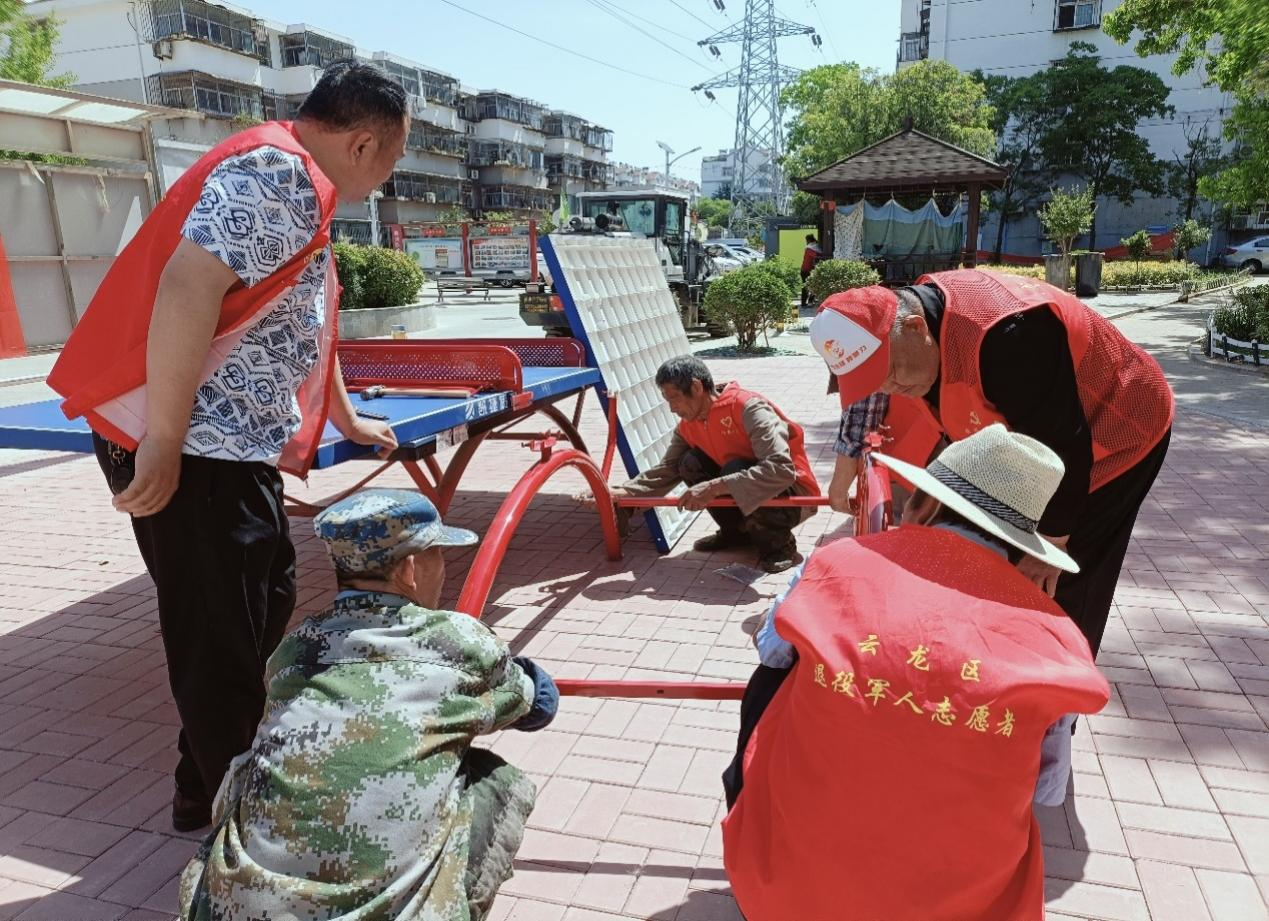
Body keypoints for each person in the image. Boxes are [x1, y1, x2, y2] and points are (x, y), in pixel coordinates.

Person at [47, 62, 410, 830]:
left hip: (226, 443)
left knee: (262, 596)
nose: (386, 178)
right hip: (194, 441)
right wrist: (165, 443)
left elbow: (307, 317)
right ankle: (252, 838)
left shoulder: (291, 178)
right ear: (366, 142)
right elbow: (188, 288)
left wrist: (344, 419)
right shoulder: (283, 175)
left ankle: (198, 784)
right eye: (393, 160)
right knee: (221, 639)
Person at [722, 425, 1110, 921]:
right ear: (1022, 546)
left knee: (777, 679)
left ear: (924, 504)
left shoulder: (838, 562)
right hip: (961, 907)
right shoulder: (1055, 640)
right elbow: (1048, 790)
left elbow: (772, 649)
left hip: (788, 893)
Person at [179, 489, 559, 921]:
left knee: (254, 767)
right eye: (438, 555)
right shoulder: (460, 640)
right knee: (494, 778)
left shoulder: (293, 649)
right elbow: (539, 703)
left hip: (237, 909)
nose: (444, 569)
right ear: (410, 570)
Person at [810, 270, 1174, 657]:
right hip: (1034, 438)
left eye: (891, 373)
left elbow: (1065, 442)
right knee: (993, 558)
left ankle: (1060, 695)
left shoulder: (1007, 334)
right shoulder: (913, 344)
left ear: (916, 328)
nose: (889, 389)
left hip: (1116, 431)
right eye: (873, 383)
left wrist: (1050, 545)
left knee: (1059, 581)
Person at [577, 355, 820, 573]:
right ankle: (737, 534)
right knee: (689, 463)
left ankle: (779, 546)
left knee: (734, 470)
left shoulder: (748, 408)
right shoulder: (688, 425)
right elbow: (668, 469)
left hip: (795, 498)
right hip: (750, 487)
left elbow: (780, 470)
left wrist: (714, 487)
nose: (672, 408)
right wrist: (622, 492)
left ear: (695, 387)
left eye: (674, 398)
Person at [799, 233, 822, 306]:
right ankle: (808, 302)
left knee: (807, 287)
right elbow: (817, 255)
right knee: (812, 286)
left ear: (809, 240)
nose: (806, 242)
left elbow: (815, 256)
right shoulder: (815, 248)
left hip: (805, 270)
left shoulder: (809, 249)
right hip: (808, 270)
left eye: (806, 240)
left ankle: (805, 302)